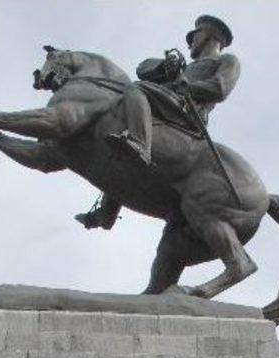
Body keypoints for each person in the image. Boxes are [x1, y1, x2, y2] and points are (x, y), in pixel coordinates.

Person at [75, 14, 239, 229]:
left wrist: (186, 86)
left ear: (209, 35)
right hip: (168, 104)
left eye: (195, 35)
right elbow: (143, 71)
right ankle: (107, 211)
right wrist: (165, 68)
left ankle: (140, 145)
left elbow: (220, 88)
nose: (191, 41)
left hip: (189, 112)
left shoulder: (227, 61)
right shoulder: (185, 68)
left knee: (136, 89)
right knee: (124, 119)